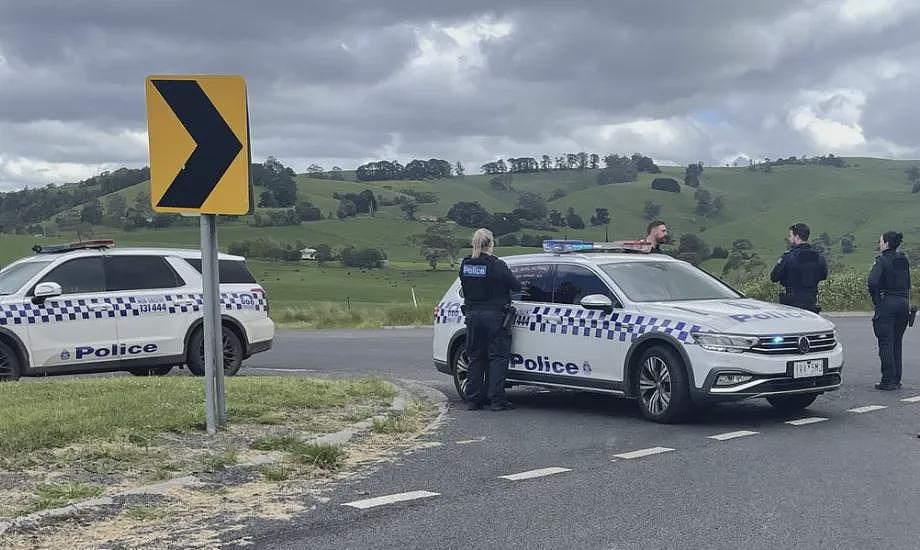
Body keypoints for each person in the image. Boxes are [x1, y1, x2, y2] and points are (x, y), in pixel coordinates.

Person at [458, 228, 521, 411]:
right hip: (495, 318)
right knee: (498, 358)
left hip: (472, 317)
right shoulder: (497, 265)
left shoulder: (466, 264)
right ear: (491, 244)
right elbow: (516, 286)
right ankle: (497, 400)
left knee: (476, 357)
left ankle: (474, 399)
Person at [868, 231, 911, 391]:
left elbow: (872, 281)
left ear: (886, 244)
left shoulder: (882, 260)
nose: (879, 244)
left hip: (888, 302)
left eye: (880, 241)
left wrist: (877, 299)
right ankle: (896, 379)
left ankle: (888, 380)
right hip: (903, 302)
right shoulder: (903, 260)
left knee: (886, 342)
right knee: (896, 342)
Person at [770, 223, 828, 313]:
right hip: (811, 303)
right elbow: (824, 275)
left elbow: (774, 277)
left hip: (792, 306)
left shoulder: (789, 256)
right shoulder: (818, 257)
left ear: (797, 237)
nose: (789, 239)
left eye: (790, 236)